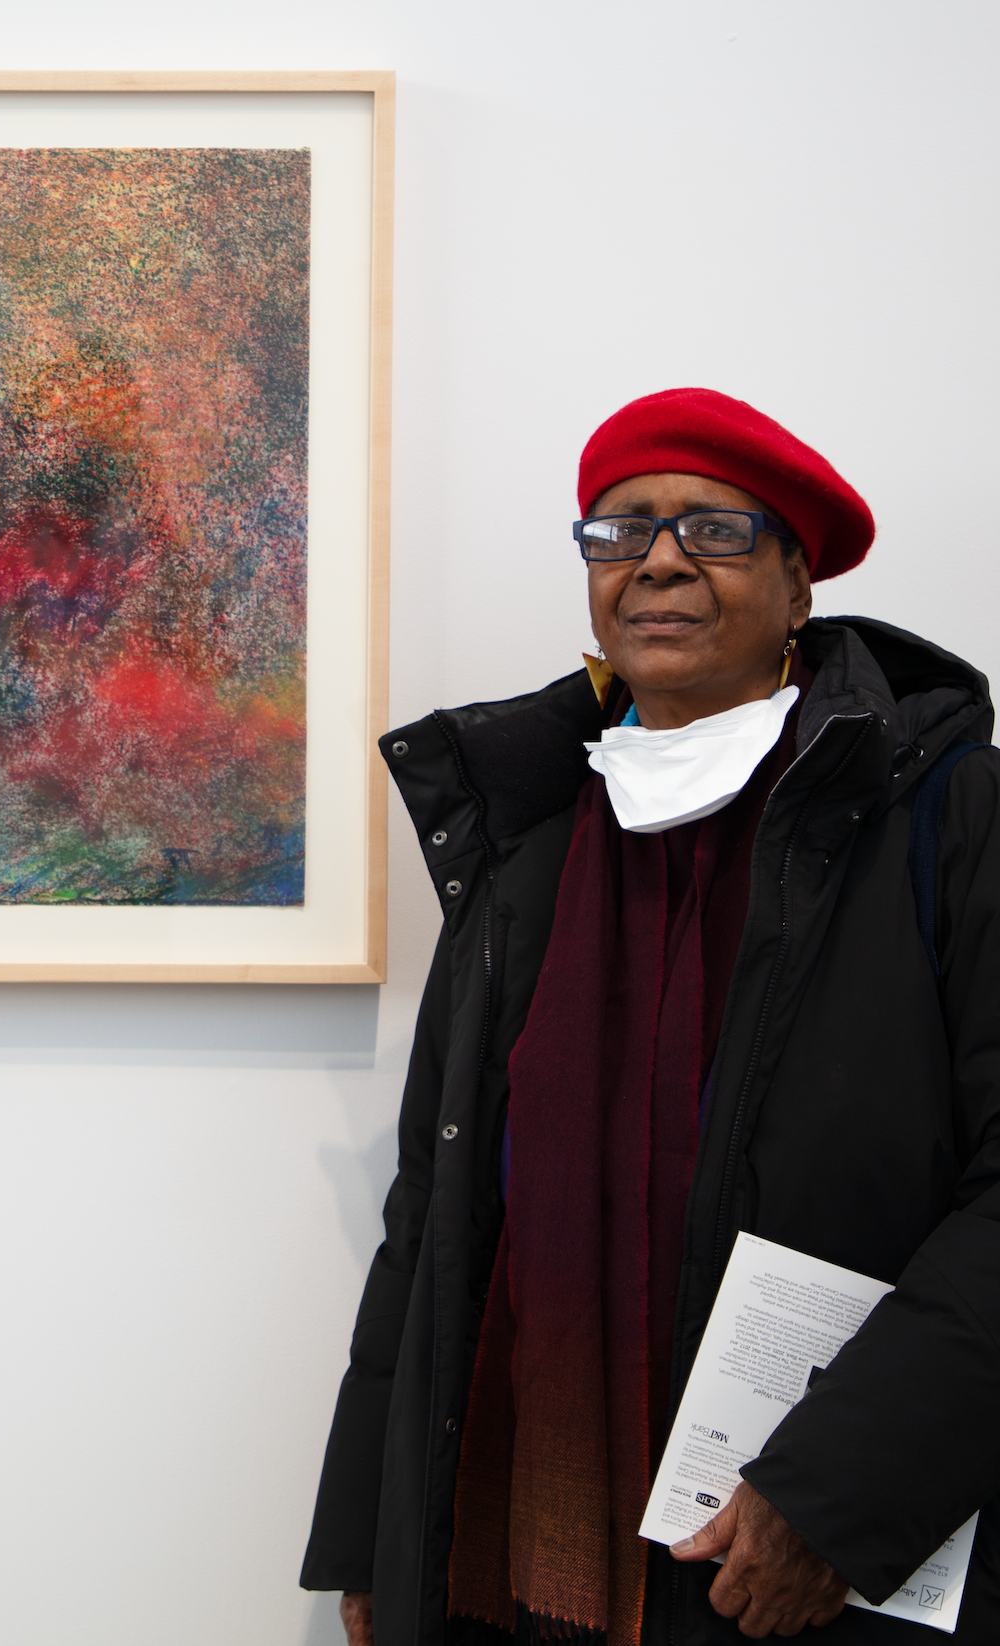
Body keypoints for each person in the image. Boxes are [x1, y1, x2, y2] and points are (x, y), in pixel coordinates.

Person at [301, 387, 1000, 1645]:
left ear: (798, 591)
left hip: (825, 1554)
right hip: (516, 1552)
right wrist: (375, 1530)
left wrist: (834, 1499)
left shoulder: (947, 819)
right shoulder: (524, 852)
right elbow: (436, 1212)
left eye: (715, 530)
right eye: (618, 530)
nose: (659, 559)